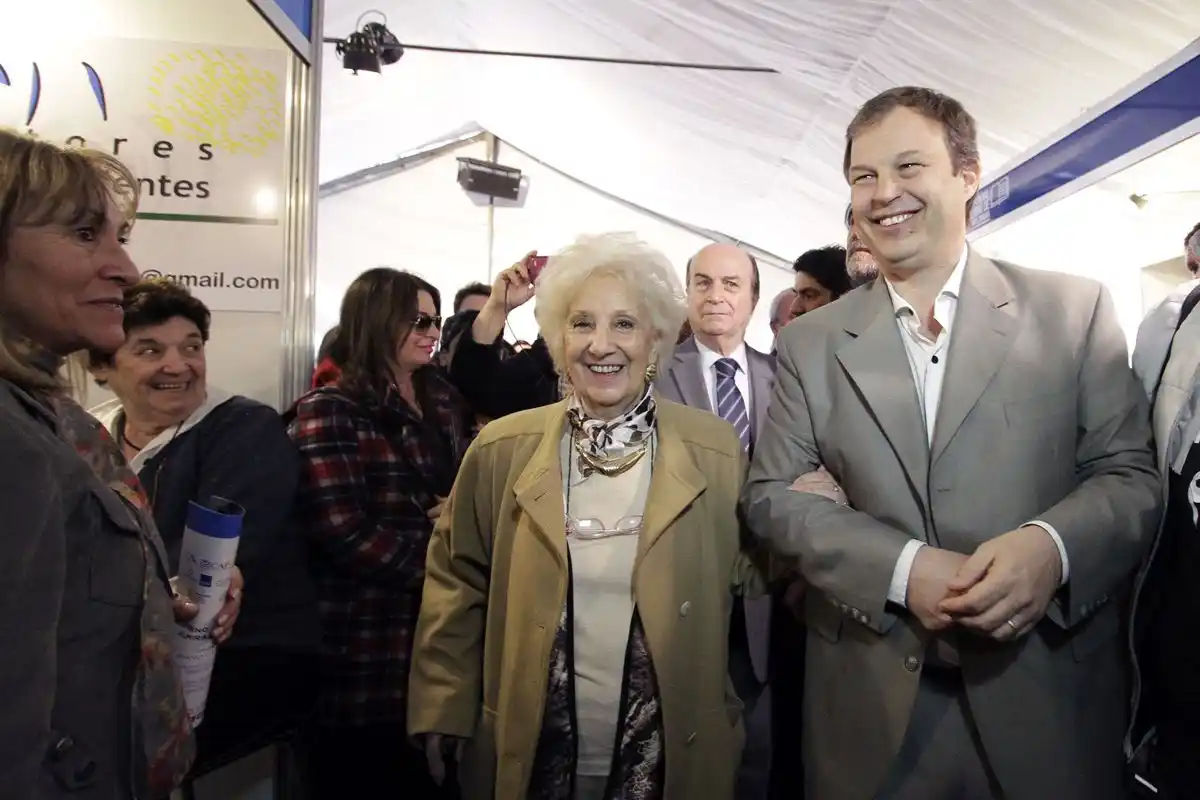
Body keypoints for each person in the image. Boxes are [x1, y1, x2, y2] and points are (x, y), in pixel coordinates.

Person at [742, 86, 1160, 800]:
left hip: (1046, 706)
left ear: (967, 175)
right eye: (862, 177)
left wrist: (1049, 550)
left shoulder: (1071, 311)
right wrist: (903, 568)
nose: (883, 194)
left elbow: (1129, 476)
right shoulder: (812, 342)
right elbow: (771, 496)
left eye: (909, 167)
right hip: (872, 718)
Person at [408, 232, 763, 800]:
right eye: (581, 323)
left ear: (656, 339)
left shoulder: (715, 450)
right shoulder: (503, 447)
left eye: (624, 324)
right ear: (556, 338)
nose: (602, 345)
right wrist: (443, 702)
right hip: (530, 750)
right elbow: (456, 579)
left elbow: (757, 572)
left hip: (673, 753)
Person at [0, 129, 209, 798]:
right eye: (87, 234)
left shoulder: (53, 417)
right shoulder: (14, 440)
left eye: (119, 235)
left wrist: (146, 597)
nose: (123, 267)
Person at [86, 279, 321, 778]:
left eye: (191, 347)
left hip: (245, 663)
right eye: (150, 350)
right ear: (102, 367)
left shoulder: (245, 429)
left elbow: (201, 566)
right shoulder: (86, 438)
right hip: (123, 660)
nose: (178, 365)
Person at [288, 267, 477, 799]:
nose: (431, 330)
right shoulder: (328, 411)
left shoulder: (442, 400)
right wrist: (450, 564)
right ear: (376, 321)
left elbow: (467, 496)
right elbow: (342, 532)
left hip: (443, 645)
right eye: (416, 320)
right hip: (365, 652)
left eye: (435, 320)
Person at [657, 242, 775, 800]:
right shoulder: (653, 374)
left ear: (753, 297)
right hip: (683, 583)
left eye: (731, 284)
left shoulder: (784, 378)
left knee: (758, 743)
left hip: (768, 593)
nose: (715, 296)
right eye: (702, 282)